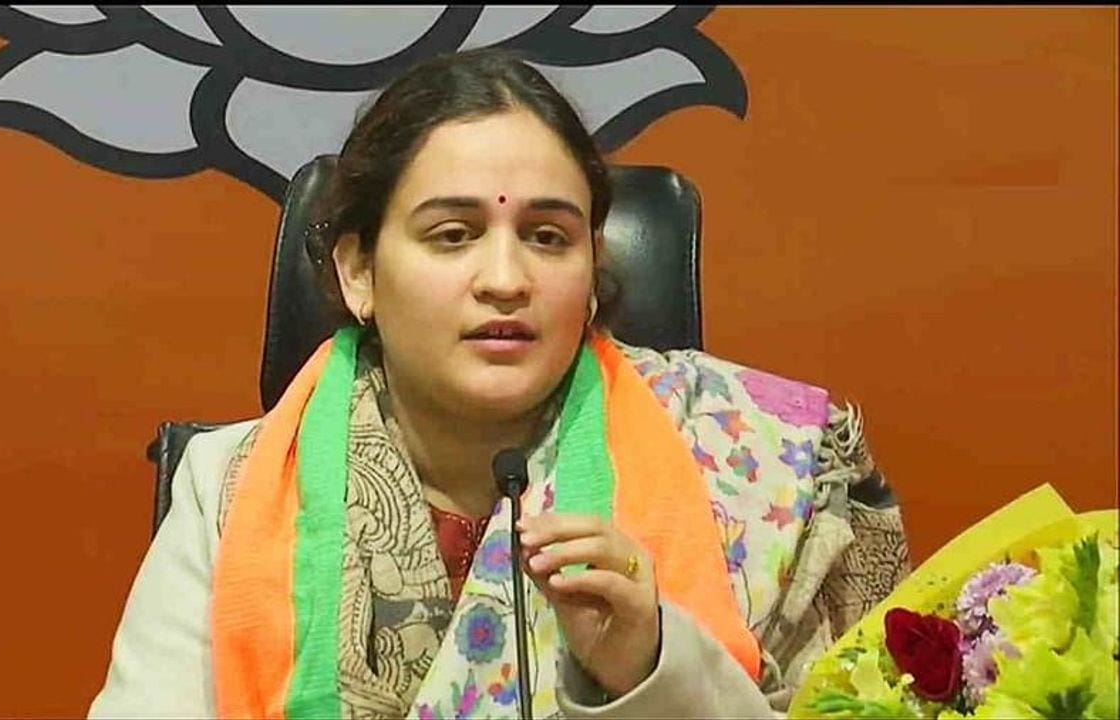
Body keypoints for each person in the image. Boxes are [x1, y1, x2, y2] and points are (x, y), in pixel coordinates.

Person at [88, 48, 909, 719]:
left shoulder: (764, 467)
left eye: (548, 237)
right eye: (453, 235)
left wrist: (651, 666)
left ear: (593, 271)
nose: (507, 279)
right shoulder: (227, 489)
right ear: (358, 272)